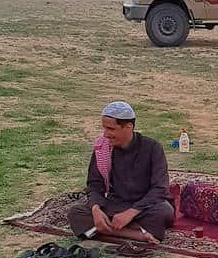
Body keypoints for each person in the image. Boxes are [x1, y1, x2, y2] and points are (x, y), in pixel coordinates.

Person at [67, 100, 175, 243]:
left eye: (111, 129)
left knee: (164, 212)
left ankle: (104, 230)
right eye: (104, 128)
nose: (105, 134)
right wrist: (96, 210)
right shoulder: (103, 147)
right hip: (116, 203)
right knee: (75, 213)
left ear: (128, 126)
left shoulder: (152, 147)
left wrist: (130, 213)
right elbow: (94, 184)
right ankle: (137, 234)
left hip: (145, 206)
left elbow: (160, 189)